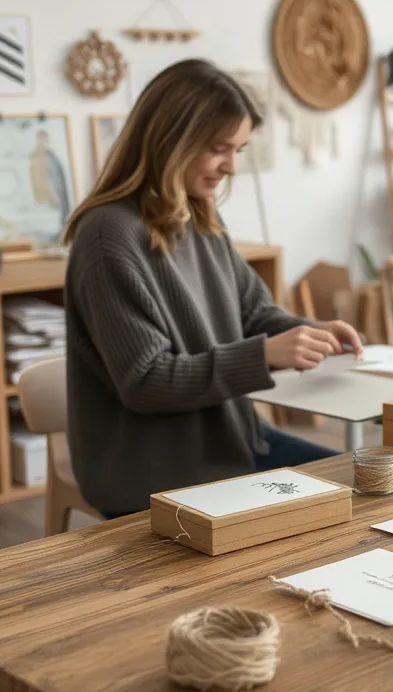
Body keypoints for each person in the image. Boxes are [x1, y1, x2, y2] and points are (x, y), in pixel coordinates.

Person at [62, 58, 363, 518]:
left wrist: (311, 332)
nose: (232, 167)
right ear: (170, 142)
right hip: (155, 472)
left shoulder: (200, 214)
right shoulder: (108, 237)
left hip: (232, 443)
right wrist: (264, 354)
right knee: (348, 505)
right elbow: (145, 382)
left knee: (367, 486)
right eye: (220, 149)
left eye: (239, 149)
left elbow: (254, 314)